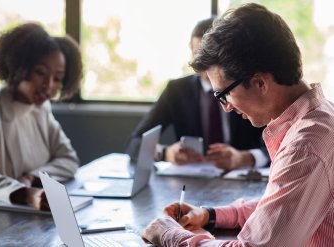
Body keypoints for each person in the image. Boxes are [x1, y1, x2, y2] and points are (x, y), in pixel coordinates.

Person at [142, 3, 334, 246]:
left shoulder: (306, 146)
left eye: (223, 95)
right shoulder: (321, 116)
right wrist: (211, 215)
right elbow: (282, 205)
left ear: (260, 83)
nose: (226, 107)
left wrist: (172, 235)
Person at [0, 23, 83, 213]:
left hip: (20, 215)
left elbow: (69, 159)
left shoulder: (41, 109)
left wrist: (33, 177)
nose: (49, 85)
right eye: (40, 72)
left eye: (57, 78)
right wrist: (28, 194)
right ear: (20, 67)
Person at [126, 18, 269, 170]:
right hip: (193, 181)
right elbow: (135, 142)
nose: (205, 65)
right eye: (198, 55)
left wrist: (245, 158)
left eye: (212, 58)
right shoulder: (176, 91)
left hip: (242, 177)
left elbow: (278, 144)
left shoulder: (247, 85)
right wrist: (165, 153)